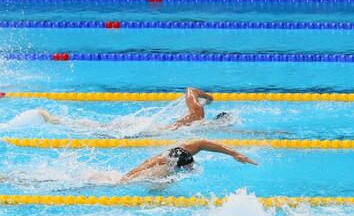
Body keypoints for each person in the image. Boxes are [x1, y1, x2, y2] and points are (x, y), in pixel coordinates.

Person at [31, 88, 230, 132]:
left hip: (145, 127)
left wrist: (208, 97)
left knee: (101, 127)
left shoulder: (195, 122)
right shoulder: (198, 116)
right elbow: (190, 90)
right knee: (101, 129)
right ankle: (54, 120)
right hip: (144, 128)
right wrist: (207, 96)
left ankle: (56, 120)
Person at [120, 139, 257, 182]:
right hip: (146, 174)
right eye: (189, 166)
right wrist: (124, 180)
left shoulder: (178, 152)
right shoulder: (161, 164)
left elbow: (203, 143)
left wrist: (234, 154)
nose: (191, 167)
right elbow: (143, 167)